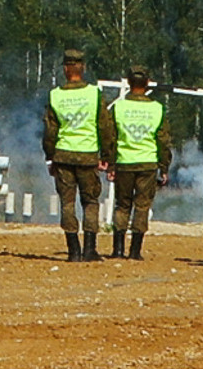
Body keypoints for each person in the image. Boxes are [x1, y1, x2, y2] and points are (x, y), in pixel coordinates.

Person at [42, 49, 112, 262]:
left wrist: (50, 157)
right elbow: (105, 126)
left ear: (65, 69)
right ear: (83, 68)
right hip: (88, 155)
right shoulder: (94, 94)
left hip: (63, 156)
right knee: (90, 201)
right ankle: (90, 249)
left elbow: (50, 131)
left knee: (67, 203)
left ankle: (73, 250)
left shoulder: (55, 95)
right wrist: (107, 155)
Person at [108, 65, 173, 259]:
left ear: (128, 82)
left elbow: (111, 138)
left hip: (124, 162)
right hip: (148, 163)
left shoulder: (119, 107)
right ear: (147, 83)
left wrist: (110, 164)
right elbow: (163, 141)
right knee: (142, 206)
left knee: (122, 206)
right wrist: (164, 167)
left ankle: (118, 249)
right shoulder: (157, 109)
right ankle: (135, 251)